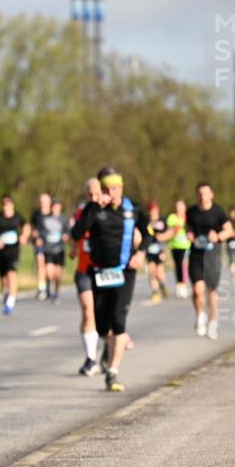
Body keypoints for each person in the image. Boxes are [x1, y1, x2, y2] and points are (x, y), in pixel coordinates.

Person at [69, 167, 148, 392]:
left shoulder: (133, 210)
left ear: (121, 188)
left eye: (114, 188)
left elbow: (148, 233)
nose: (110, 192)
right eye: (106, 188)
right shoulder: (93, 209)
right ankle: (107, 344)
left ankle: (112, 373)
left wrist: (141, 253)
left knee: (119, 320)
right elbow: (76, 233)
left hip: (125, 271)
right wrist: (94, 209)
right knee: (103, 326)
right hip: (100, 272)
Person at [186, 182, 233, 340]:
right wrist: (190, 234)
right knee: (197, 290)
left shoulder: (218, 212)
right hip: (196, 255)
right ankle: (200, 316)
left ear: (211, 194)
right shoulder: (191, 211)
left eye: (205, 193)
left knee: (211, 291)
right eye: (199, 193)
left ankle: (213, 323)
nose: (202, 196)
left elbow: (229, 230)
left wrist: (218, 236)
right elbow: (188, 227)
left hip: (212, 255)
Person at [69, 178, 103, 376]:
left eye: (96, 194)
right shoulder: (81, 214)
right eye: (89, 194)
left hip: (105, 272)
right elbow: (75, 236)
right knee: (88, 311)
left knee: (103, 315)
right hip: (84, 270)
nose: (93, 198)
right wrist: (73, 247)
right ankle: (91, 358)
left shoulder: (108, 213)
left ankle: (109, 348)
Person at [0, 194, 29, 316]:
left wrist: (24, 236)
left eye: (8, 203)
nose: (6, 206)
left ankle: (10, 302)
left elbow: (26, 226)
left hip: (13, 249)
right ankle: (6, 292)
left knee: (12, 273)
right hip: (0, 250)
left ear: (12, 204)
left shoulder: (17, 216)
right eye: (4, 204)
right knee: (3, 277)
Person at [144, 201, 173, 303]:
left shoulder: (162, 220)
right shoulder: (146, 221)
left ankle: (163, 286)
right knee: (151, 270)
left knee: (159, 272)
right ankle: (155, 292)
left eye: (154, 210)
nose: (153, 213)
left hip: (160, 249)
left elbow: (170, 232)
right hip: (149, 249)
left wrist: (163, 237)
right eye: (151, 211)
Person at [167, 200, 191, 299]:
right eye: (177, 207)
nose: (179, 209)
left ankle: (184, 285)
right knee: (177, 266)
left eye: (181, 206)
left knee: (183, 264)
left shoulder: (188, 217)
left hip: (185, 246)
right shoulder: (171, 217)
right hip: (174, 245)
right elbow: (171, 230)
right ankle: (179, 285)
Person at [31, 193, 53, 300]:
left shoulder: (53, 214)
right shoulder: (36, 214)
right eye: (41, 202)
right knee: (40, 264)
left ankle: (49, 287)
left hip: (52, 245)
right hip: (40, 244)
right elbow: (32, 228)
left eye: (45, 202)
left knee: (49, 269)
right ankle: (42, 289)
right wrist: (35, 235)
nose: (43, 204)